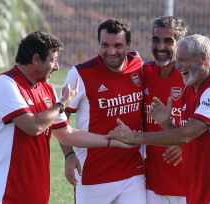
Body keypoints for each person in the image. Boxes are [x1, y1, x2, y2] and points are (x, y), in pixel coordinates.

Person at [0, 31, 132, 204]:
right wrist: (62, 103)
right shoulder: (4, 83)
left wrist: (111, 141)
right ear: (36, 59)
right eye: (53, 60)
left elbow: (66, 134)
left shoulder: (47, 89)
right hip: (0, 194)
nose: (57, 67)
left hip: (35, 194)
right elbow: (33, 127)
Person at [108, 34, 210, 204]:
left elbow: (185, 135)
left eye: (182, 60)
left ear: (203, 58)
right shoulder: (191, 89)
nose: (178, 66)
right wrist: (166, 123)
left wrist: (134, 137)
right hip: (199, 186)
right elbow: (187, 139)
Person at [60, 18, 146, 204]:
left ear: (128, 44)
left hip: (133, 172)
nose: (111, 52)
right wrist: (69, 155)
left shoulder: (139, 66)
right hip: (91, 173)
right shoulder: (80, 74)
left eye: (118, 45)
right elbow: (60, 120)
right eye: (105, 45)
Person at [143, 16, 188, 204]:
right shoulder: (143, 73)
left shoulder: (191, 77)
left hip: (187, 182)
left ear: (180, 44)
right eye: (156, 40)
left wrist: (185, 143)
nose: (160, 47)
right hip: (152, 183)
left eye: (168, 41)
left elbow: (209, 125)